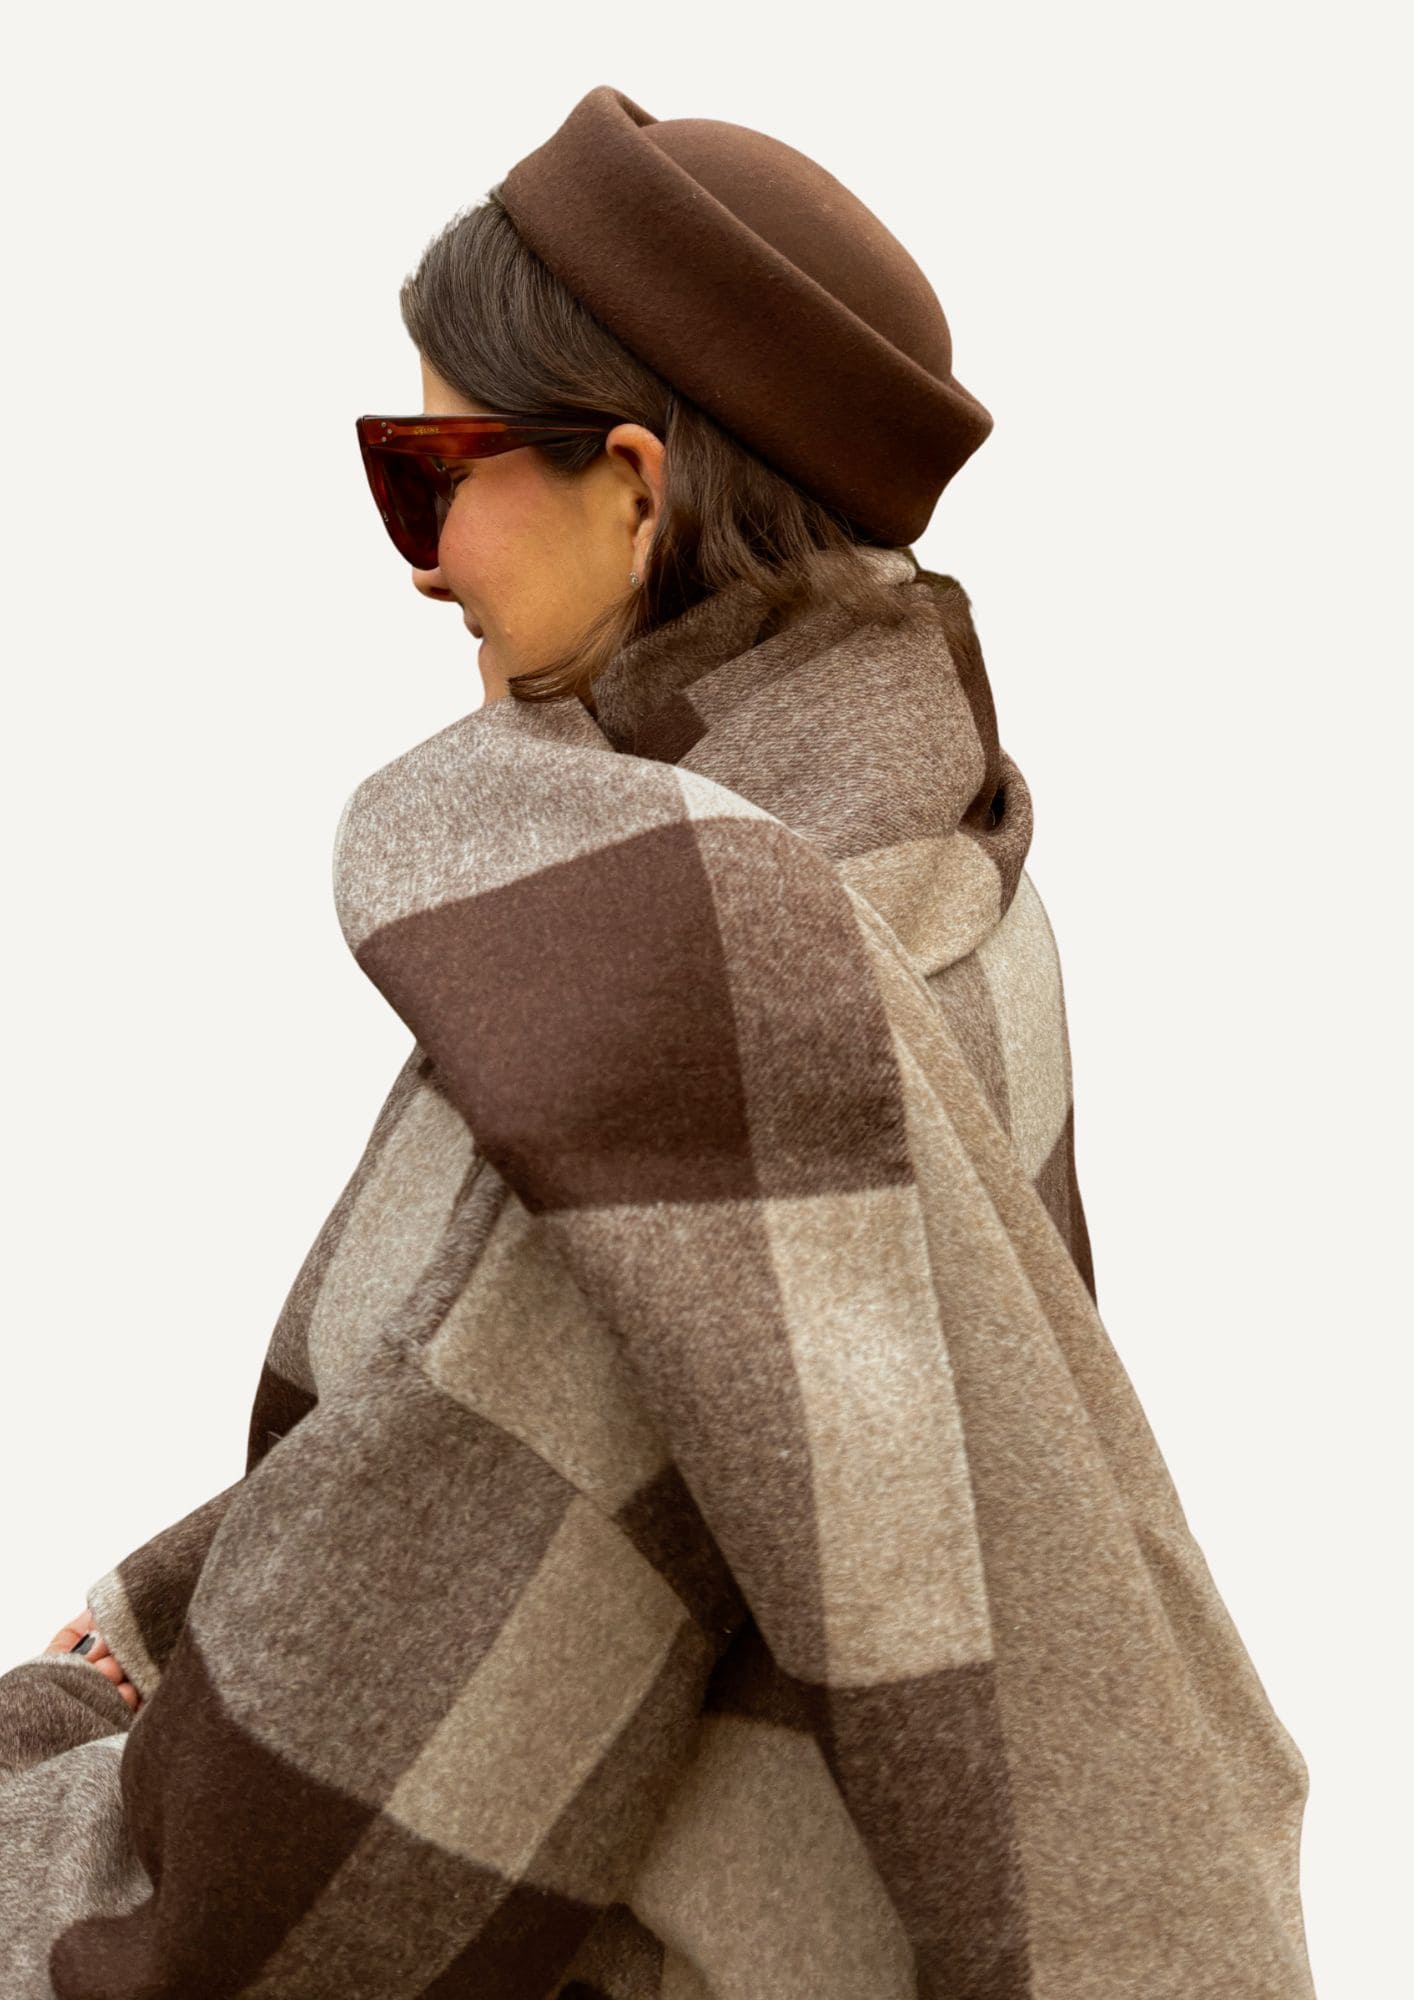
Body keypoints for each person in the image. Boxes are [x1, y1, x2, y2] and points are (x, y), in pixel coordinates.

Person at [5, 85, 1317, 2000]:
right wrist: (146, 1646)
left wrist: (49, 1769)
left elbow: (310, 1887)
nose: (419, 559)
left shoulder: (669, 1023)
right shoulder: (952, 876)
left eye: (427, 470)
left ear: (632, 484)